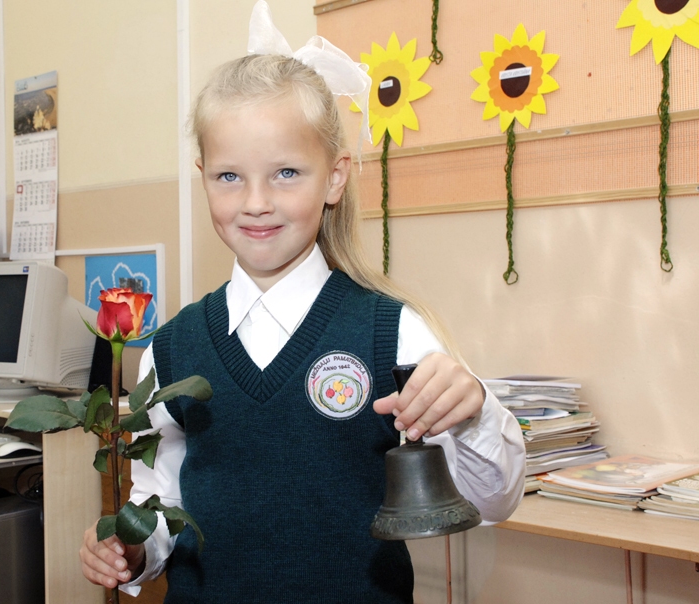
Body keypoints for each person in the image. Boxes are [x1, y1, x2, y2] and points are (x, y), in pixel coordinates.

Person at [80, 3, 525, 602]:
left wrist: (474, 412)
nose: (256, 201)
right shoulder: (171, 347)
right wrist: (132, 549)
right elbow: (160, 503)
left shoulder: (390, 332)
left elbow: (493, 500)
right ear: (202, 174)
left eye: (287, 172)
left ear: (334, 177)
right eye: (229, 176)